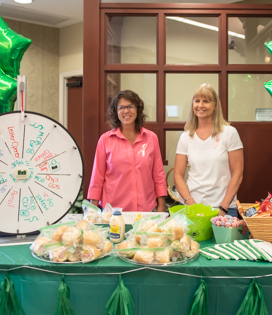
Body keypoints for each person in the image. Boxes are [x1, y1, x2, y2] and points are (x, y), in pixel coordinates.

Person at [88, 90, 167, 212]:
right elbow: (97, 177)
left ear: (137, 109)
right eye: (121, 107)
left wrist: (161, 206)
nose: (126, 111)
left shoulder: (151, 138)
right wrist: (92, 209)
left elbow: (158, 175)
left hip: (145, 209)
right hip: (113, 211)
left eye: (130, 106)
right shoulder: (105, 140)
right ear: (116, 111)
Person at [174, 84, 244, 217]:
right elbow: (177, 175)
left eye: (206, 101)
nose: (200, 105)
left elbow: (238, 174)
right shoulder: (186, 136)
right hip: (192, 207)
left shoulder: (229, 133)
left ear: (215, 106)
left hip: (224, 209)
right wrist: (192, 205)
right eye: (197, 101)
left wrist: (223, 207)